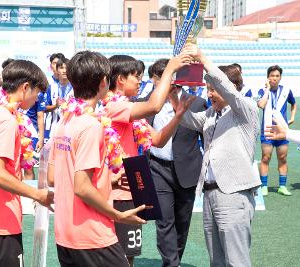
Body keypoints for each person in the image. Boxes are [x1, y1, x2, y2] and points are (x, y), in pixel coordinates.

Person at [47, 51, 147, 267]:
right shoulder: (91, 125)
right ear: (104, 82)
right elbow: (81, 187)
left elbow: (53, 177)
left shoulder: (65, 120)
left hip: (65, 234)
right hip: (92, 234)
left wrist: (105, 180)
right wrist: (117, 215)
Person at [104, 54, 195, 267]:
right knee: (115, 257)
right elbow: (154, 106)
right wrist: (171, 68)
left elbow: (158, 140)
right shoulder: (112, 107)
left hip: (131, 191)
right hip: (113, 193)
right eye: (137, 77)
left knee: (128, 255)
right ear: (120, 80)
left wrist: (178, 115)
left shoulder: (130, 111)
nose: (140, 81)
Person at [177, 47, 260, 267]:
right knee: (217, 261)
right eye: (207, 89)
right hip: (210, 193)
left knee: (236, 260)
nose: (209, 94)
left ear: (229, 87)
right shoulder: (211, 114)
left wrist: (202, 58)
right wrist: (170, 92)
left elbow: (229, 91)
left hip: (233, 193)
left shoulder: (246, 109)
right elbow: (187, 120)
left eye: (213, 89)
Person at [0, 59, 54, 267]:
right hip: (0, 221)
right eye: (37, 93)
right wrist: (37, 194)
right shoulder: (6, 121)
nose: (37, 99)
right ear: (25, 87)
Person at [145, 58, 207, 267]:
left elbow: (206, 139)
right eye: (155, 79)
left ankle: (174, 260)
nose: (157, 84)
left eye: (160, 79)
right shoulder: (147, 103)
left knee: (182, 222)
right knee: (164, 221)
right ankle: (171, 264)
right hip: (157, 168)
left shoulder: (197, 103)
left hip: (187, 170)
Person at [257, 65, 296, 196]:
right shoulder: (262, 90)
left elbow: (294, 104)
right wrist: (267, 89)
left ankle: (282, 186)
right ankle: (264, 186)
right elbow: (261, 105)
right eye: (272, 76)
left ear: (280, 77)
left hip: (282, 131)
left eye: (277, 76)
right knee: (265, 158)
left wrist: (292, 117)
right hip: (267, 130)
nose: (274, 78)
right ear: (268, 77)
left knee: (283, 158)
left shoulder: (287, 90)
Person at [44, 53, 67, 142]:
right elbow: (42, 108)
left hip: (67, 129)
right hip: (51, 128)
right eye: (54, 63)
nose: (64, 70)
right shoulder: (48, 83)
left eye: (65, 67)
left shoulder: (74, 87)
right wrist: (56, 106)